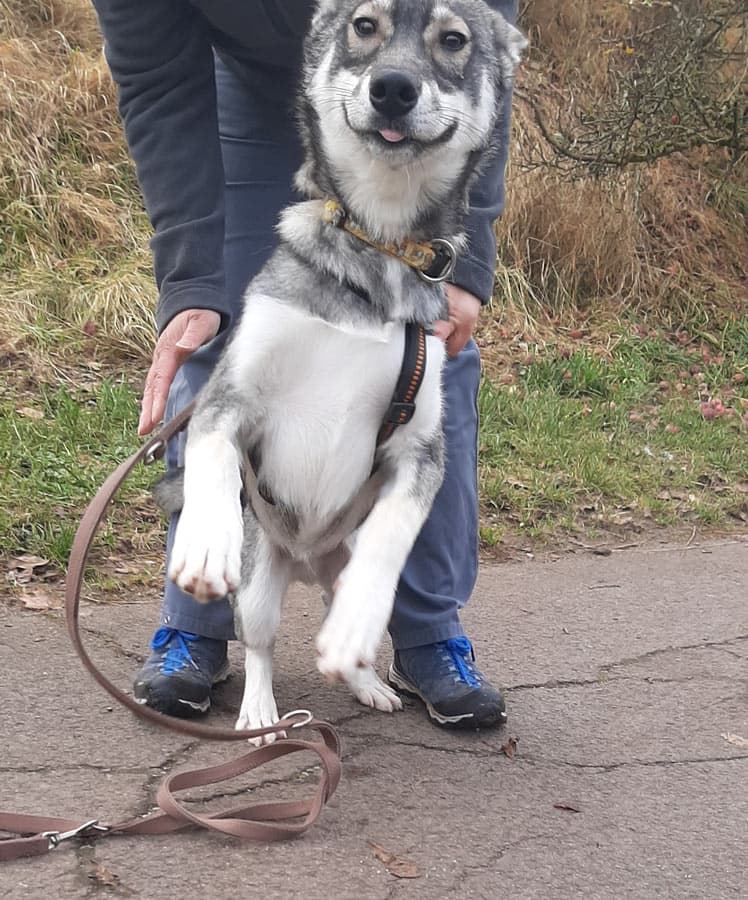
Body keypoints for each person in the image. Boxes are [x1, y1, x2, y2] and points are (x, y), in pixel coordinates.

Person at [92, 0, 518, 729]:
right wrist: (191, 279)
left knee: (433, 360)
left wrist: (467, 254)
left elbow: (484, 50)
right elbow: (160, 83)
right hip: (249, 85)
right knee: (215, 336)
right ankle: (197, 622)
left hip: (427, 97)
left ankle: (425, 632)